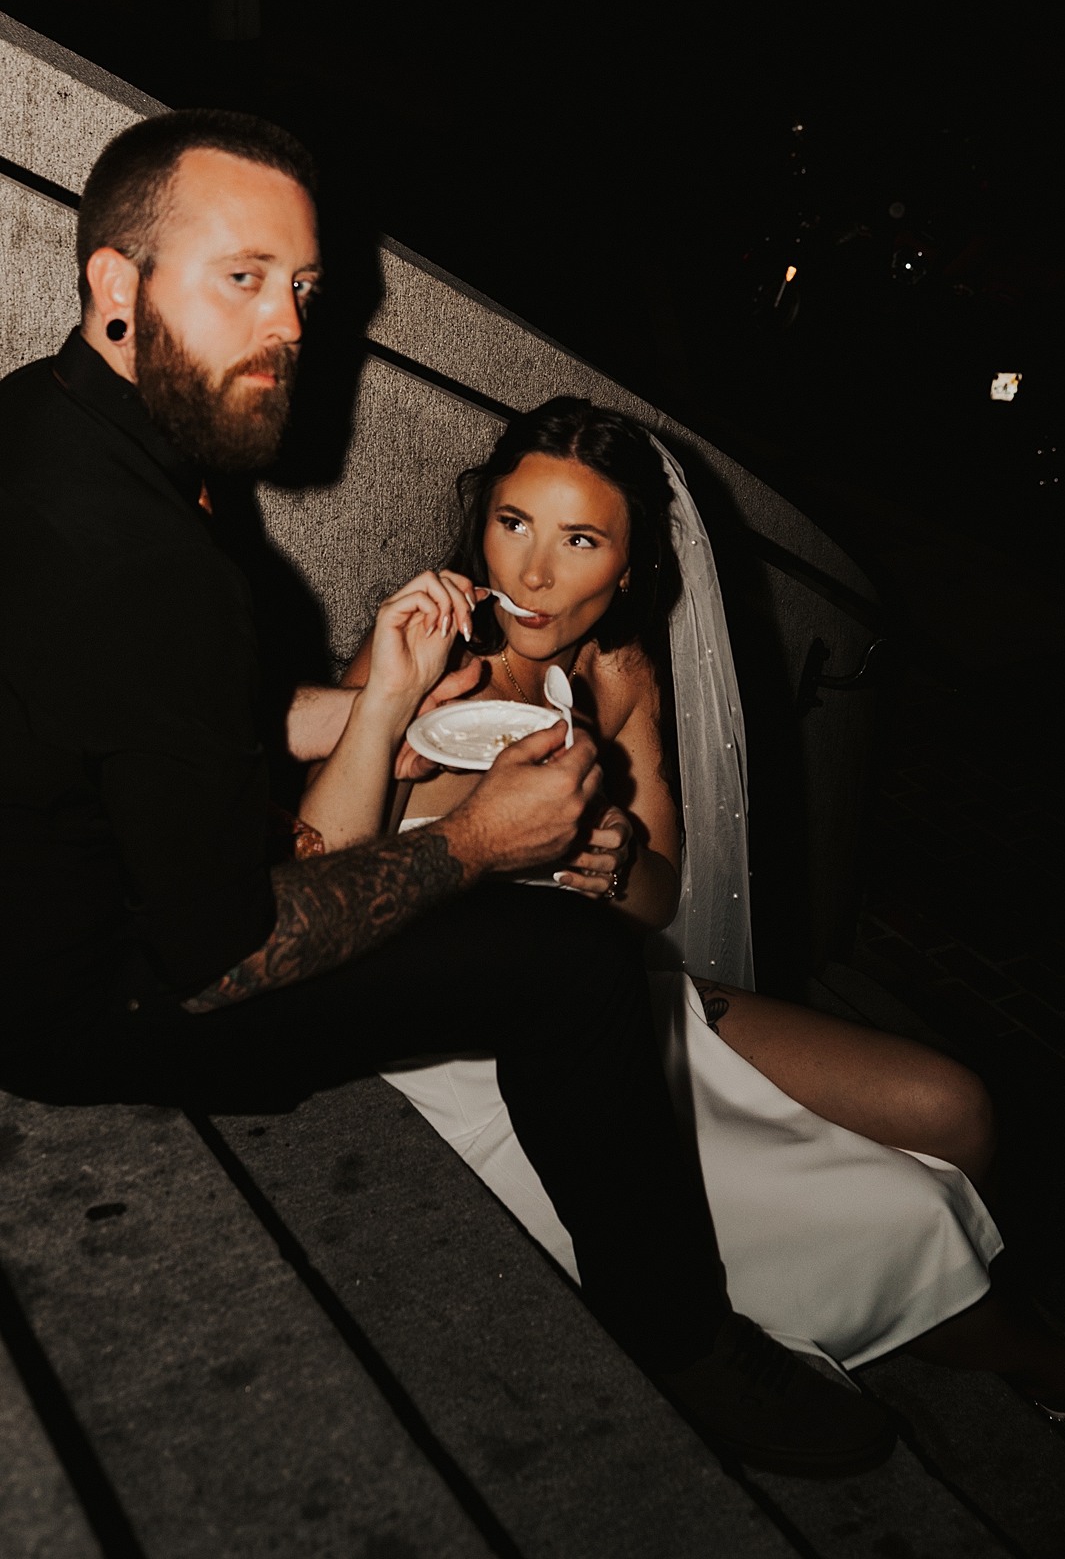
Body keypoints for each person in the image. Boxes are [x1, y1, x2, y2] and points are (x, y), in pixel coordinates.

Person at [0, 109, 900, 1480]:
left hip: (68, 882)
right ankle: (684, 1344)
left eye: (305, 289)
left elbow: (147, 711)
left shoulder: (51, 419)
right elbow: (222, 949)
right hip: (82, 1006)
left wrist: (378, 716)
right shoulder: (145, 557)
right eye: (242, 278)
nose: (288, 328)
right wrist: (478, 843)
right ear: (115, 284)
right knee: (570, 971)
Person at [298, 397, 1065, 1471]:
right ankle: (1042, 1364)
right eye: (513, 522)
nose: (533, 573)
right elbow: (314, 886)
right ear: (481, 520)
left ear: (630, 569)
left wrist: (612, 862)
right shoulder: (422, 659)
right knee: (900, 1209)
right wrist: (385, 701)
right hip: (457, 1049)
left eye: (580, 539)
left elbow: (656, 899)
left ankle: (923, 1303)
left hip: (603, 997)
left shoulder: (617, 674)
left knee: (957, 1111)